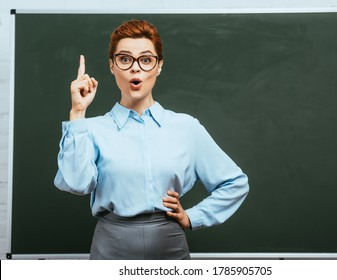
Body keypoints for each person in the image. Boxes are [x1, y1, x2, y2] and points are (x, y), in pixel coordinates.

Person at [54, 19, 249, 260]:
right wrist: (78, 114)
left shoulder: (186, 127)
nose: (135, 69)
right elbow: (76, 184)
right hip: (111, 246)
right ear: (112, 66)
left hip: (169, 244)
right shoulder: (89, 129)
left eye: (146, 60)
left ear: (159, 66)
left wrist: (193, 217)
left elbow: (234, 183)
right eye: (125, 59)